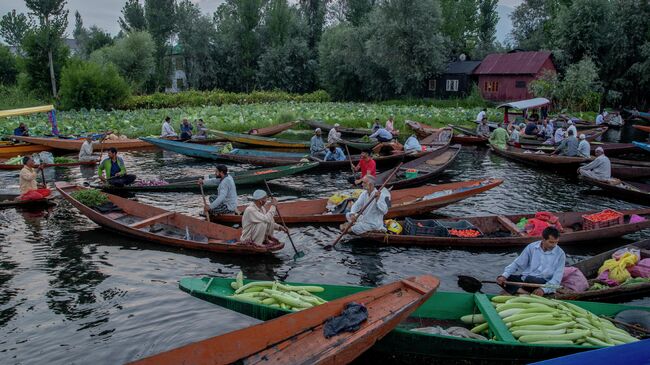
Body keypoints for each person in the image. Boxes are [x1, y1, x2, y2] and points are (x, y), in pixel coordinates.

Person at [496, 226, 565, 296]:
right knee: (502, 279)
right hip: (526, 279)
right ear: (543, 239)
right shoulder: (532, 247)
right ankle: (527, 293)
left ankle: (520, 291)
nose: (554, 245)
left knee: (531, 279)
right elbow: (517, 264)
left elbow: (557, 278)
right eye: (551, 242)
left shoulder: (560, 254)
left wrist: (543, 289)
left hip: (543, 282)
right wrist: (504, 276)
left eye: (556, 242)